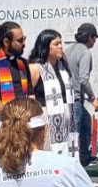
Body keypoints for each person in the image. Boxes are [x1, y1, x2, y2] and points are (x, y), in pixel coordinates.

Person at [28, 30, 78, 158]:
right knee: (49, 156)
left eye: (61, 43)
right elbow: (29, 98)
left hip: (67, 123)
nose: (61, 47)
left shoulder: (63, 67)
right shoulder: (35, 68)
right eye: (56, 44)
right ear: (45, 46)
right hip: (46, 122)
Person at [0, 22, 30, 140]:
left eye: (24, 39)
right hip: (4, 127)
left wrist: (29, 116)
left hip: (26, 124)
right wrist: (15, 121)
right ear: (6, 42)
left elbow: (31, 93)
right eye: (19, 40)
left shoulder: (23, 63)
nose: (23, 44)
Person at [65, 23, 98, 166]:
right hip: (75, 98)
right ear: (90, 38)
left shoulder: (69, 49)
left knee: (86, 122)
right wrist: (93, 99)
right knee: (75, 131)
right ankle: (72, 162)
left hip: (67, 96)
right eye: (94, 38)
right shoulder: (85, 52)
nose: (95, 41)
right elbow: (83, 79)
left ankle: (84, 157)